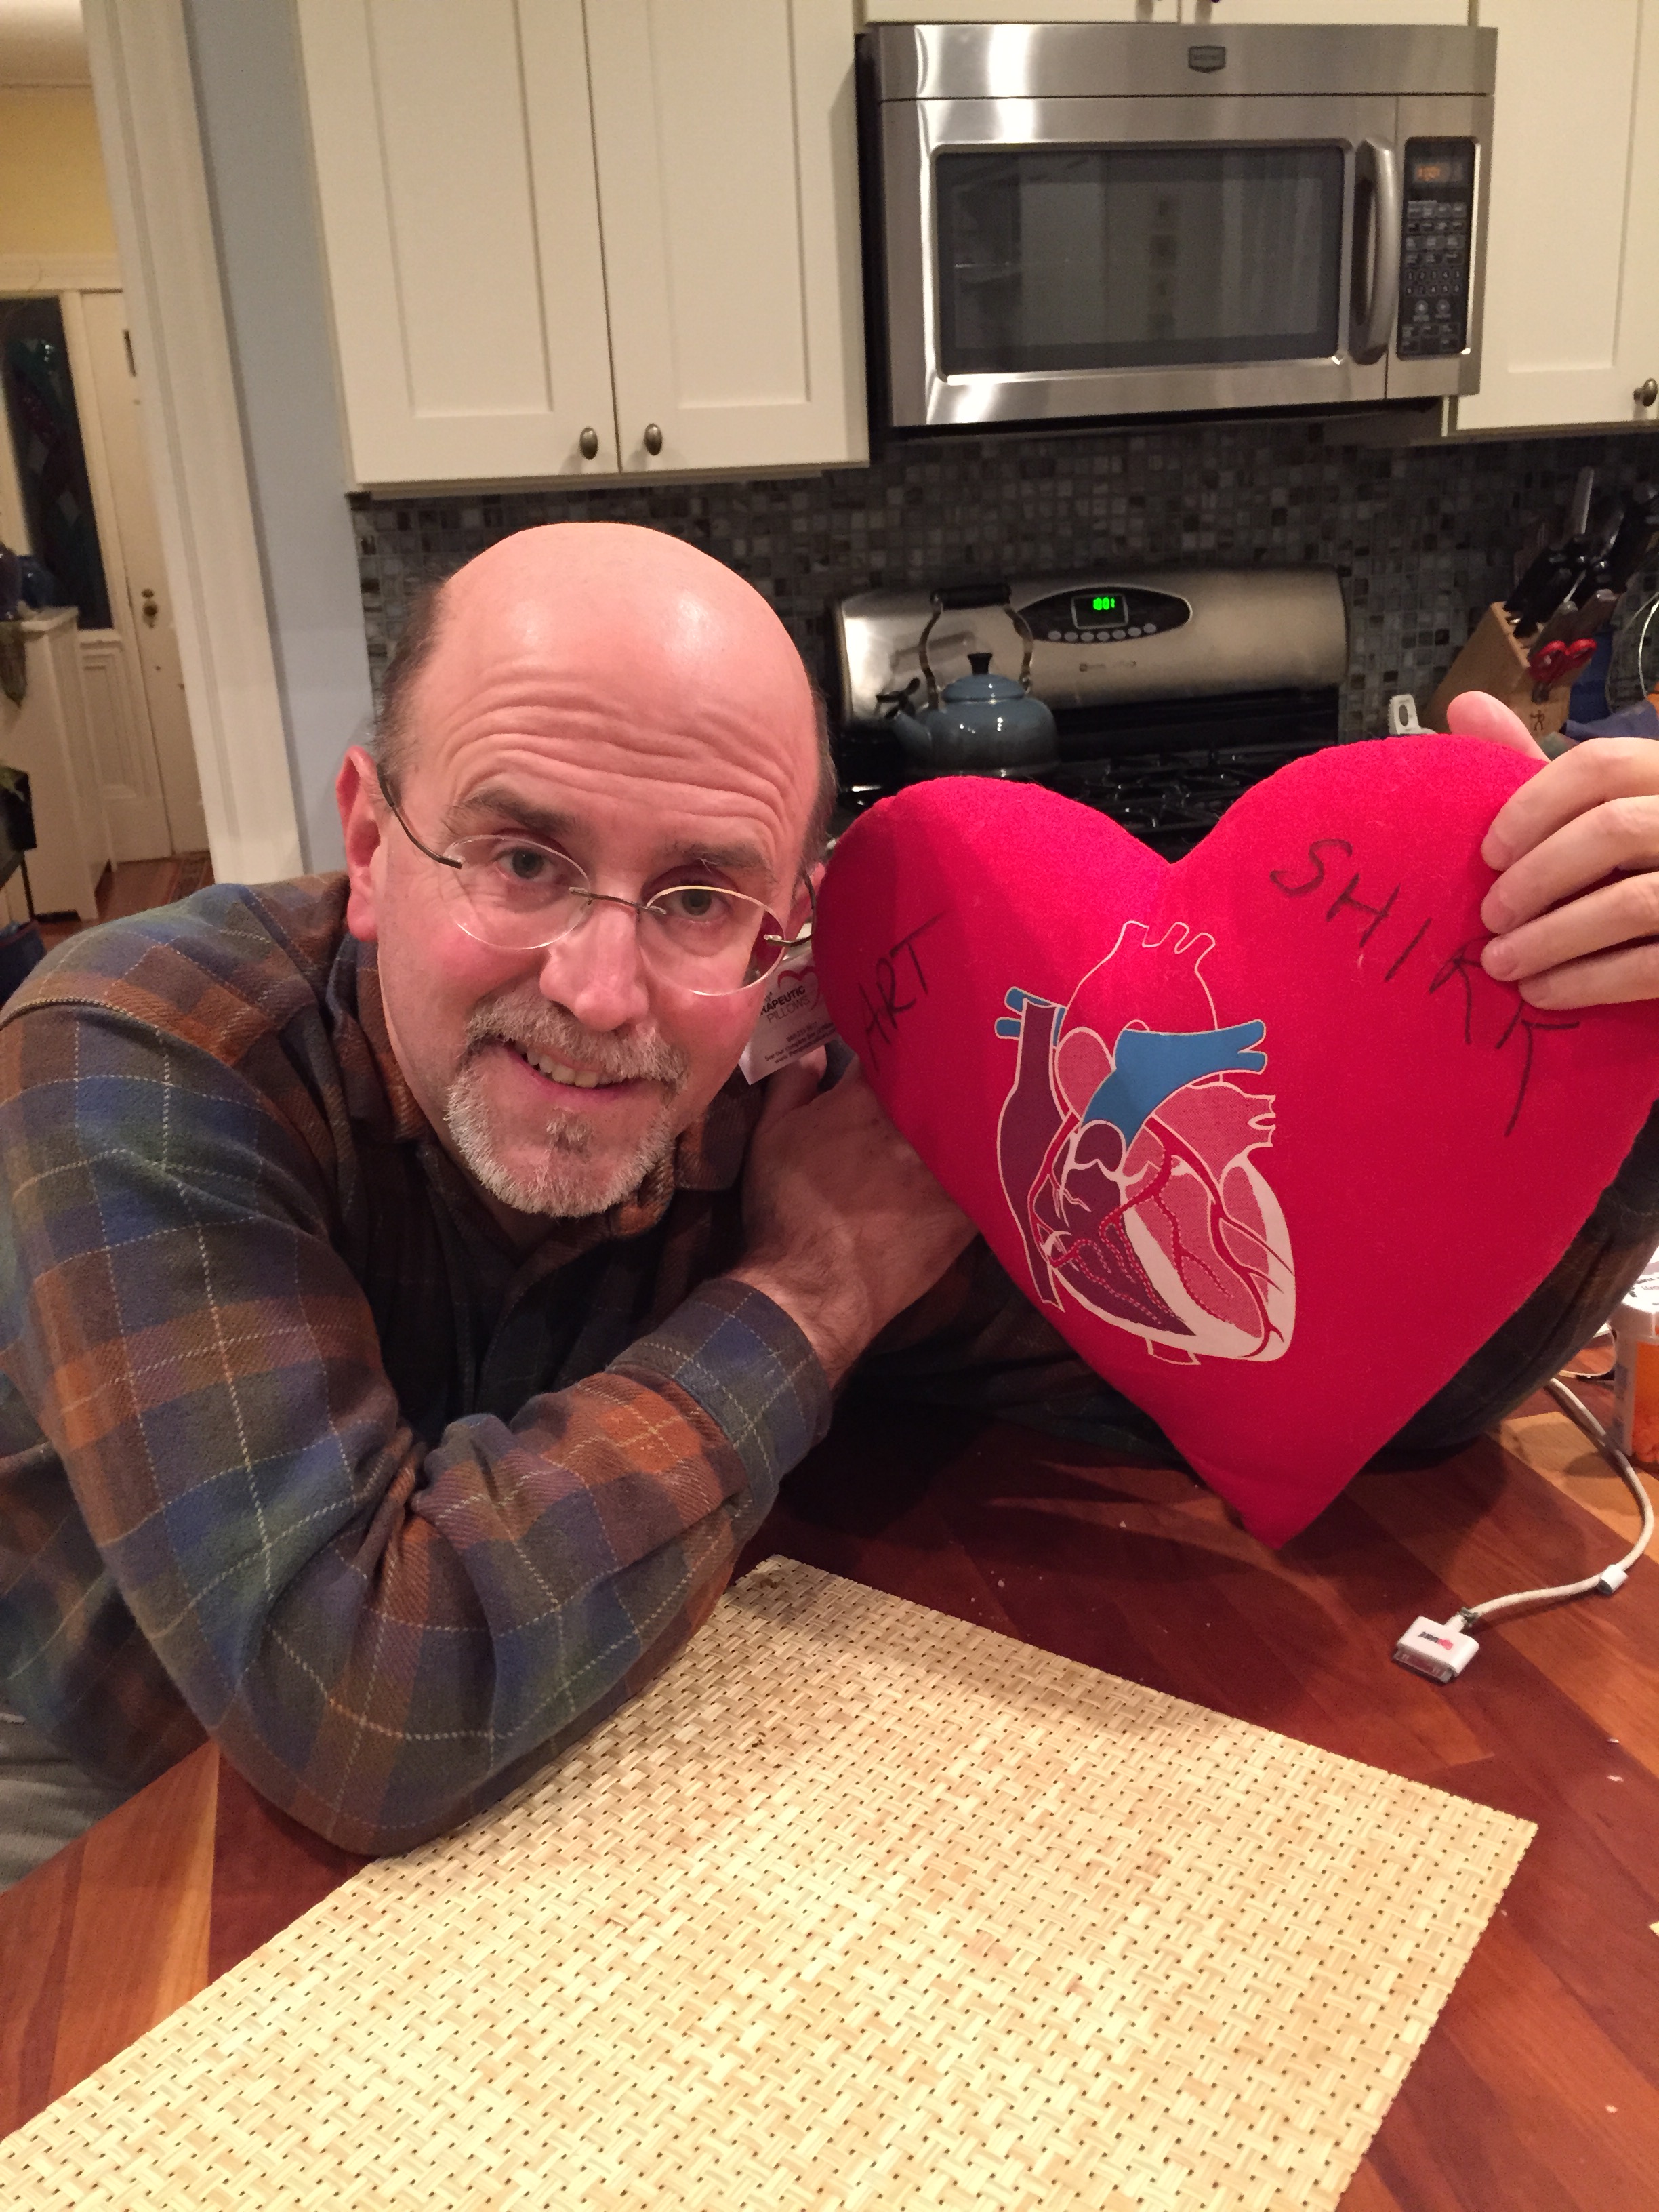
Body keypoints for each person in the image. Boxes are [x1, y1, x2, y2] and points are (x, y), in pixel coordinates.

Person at [0, 522, 1654, 1888]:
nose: (599, 990)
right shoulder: (139, 1047)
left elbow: (1329, 1397)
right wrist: (811, 1297)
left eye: (697, 894)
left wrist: (1591, 1036)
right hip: (130, 1808)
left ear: (787, 921)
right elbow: (360, 1700)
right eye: (521, 861)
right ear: (370, 846)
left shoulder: (802, 1079)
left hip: (587, 1812)